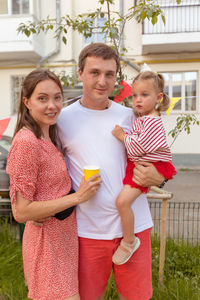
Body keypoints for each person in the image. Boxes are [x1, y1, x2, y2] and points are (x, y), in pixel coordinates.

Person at [57, 43, 166, 300]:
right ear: (80, 73)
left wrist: (161, 178)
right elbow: (49, 169)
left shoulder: (131, 115)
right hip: (88, 231)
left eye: (109, 74)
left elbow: (157, 157)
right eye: (94, 72)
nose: (102, 81)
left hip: (135, 230)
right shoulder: (62, 119)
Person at [6, 69, 101, 300]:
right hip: (46, 247)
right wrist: (78, 197)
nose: (52, 105)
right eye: (42, 98)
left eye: (57, 97)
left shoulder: (50, 135)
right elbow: (22, 211)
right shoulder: (27, 142)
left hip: (64, 244)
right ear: (26, 102)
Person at [111, 71, 177, 265]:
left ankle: (129, 240)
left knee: (122, 203)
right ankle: (129, 239)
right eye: (135, 95)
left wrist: (122, 136)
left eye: (144, 95)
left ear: (158, 98)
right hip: (144, 165)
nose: (137, 100)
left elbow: (138, 147)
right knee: (123, 202)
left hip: (148, 167)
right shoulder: (145, 117)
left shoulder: (151, 120)